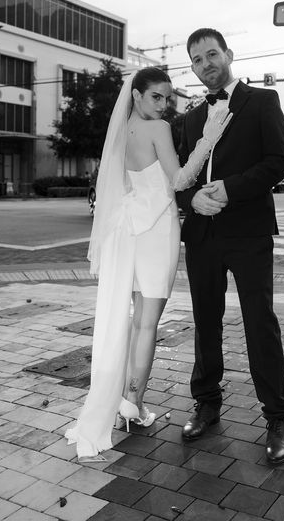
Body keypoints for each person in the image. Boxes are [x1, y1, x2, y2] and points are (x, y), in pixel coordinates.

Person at [65, 67, 231, 461]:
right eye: (156, 96)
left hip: (127, 231)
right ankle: (133, 404)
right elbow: (177, 181)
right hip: (156, 230)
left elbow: (118, 188)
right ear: (136, 95)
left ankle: (127, 399)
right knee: (146, 323)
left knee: (133, 319)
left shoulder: (119, 133)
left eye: (167, 97)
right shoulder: (158, 130)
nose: (164, 104)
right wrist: (208, 140)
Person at [176, 28, 284, 464]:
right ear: (192, 67)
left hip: (249, 232)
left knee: (259, 322)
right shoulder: (189, 119)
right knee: (205, 321)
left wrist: (228, 189)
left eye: (211, 54)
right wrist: (193, 200)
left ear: (228, 54)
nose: (206, 63)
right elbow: (180, 178)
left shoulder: (262, 102)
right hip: (202, 236)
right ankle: (206, 403)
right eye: (197, 59)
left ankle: (277, 416)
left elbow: (280, 161)